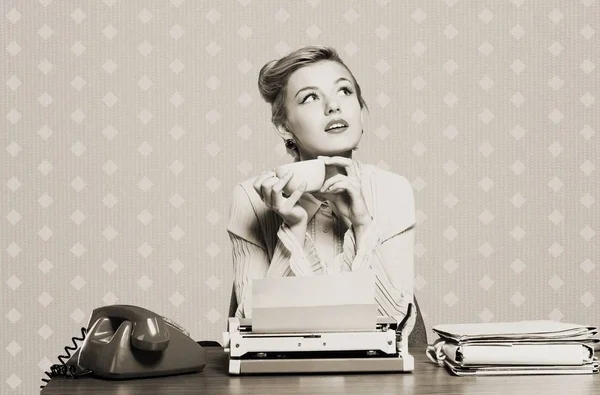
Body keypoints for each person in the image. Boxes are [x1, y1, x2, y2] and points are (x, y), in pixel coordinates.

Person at [226, 45, 417, 336]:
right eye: (310, 97)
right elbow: (252, 330)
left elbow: (397, 330)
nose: (333, 106)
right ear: (284, 127)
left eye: (345, 91)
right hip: (280, 380)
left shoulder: (393, 191)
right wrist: (294, 229)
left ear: (361, 112)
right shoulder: (251, 198)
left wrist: (362, 226)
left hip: (377, 379)